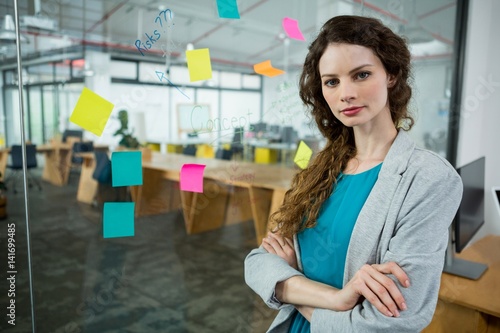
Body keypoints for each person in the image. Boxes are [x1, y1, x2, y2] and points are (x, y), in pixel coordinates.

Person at [244, 15, 463, 333]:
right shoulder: (322, 165)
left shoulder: (429, 179)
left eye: (361, 75)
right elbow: (257, 263)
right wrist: (338, 299)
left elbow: (395, 318)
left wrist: (295, 288)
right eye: (331, 81)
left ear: (391, 74)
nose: (345, 93)